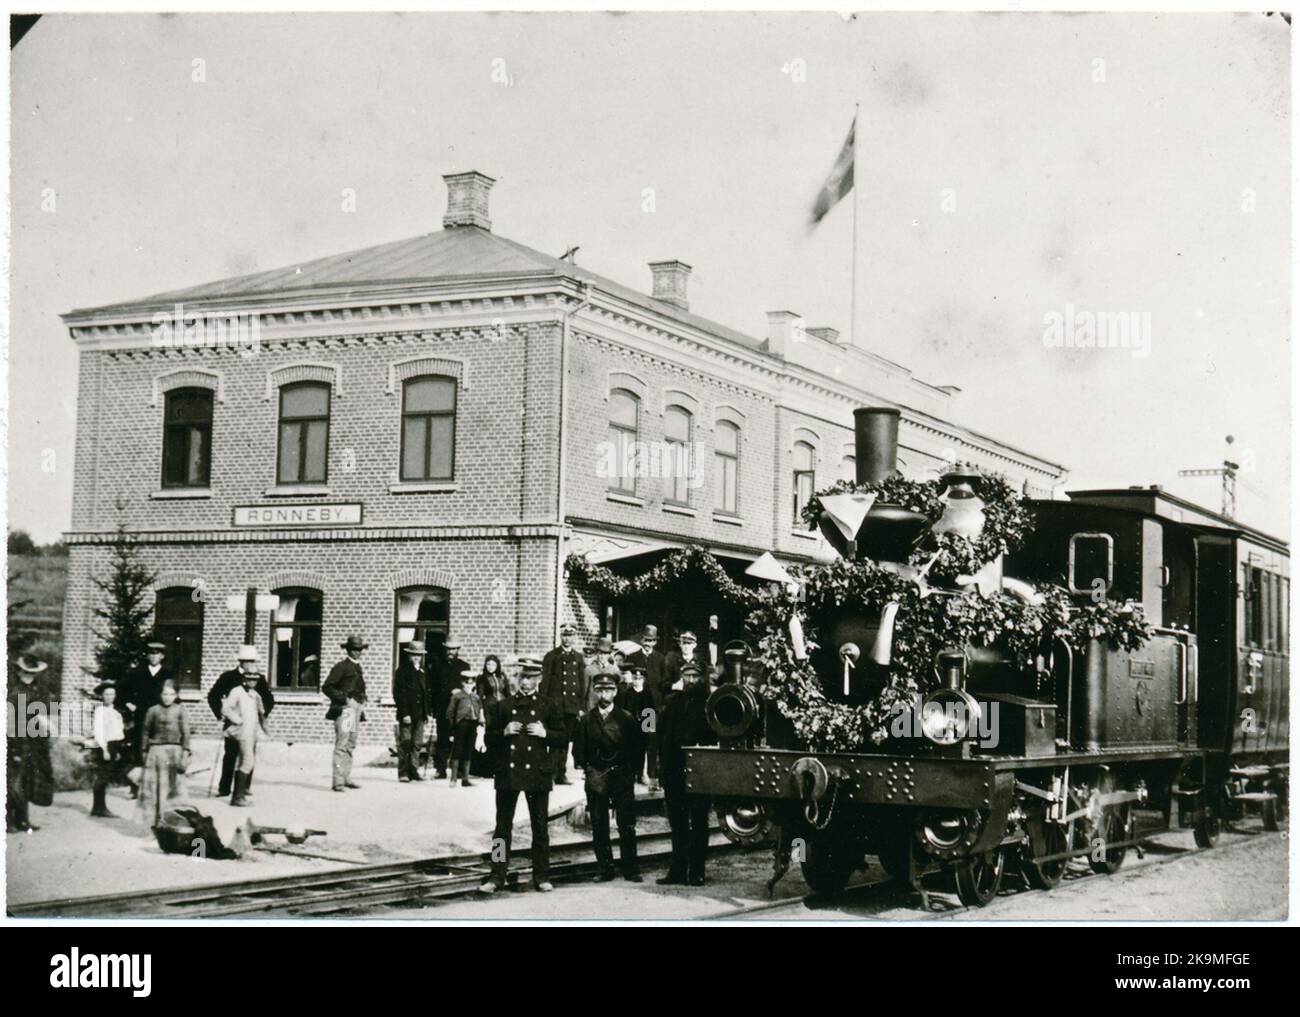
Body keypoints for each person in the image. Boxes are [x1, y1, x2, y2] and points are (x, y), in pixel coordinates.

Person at [479, 657, 565, 894]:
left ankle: (542, 876)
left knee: (540, 828)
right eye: (522, 677)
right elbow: (488, 738)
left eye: (531, 678)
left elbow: (563, 737)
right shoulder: (503, 706)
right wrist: (503, 732)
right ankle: (496, 876)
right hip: (509, 773)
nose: (526, 683)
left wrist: (545, 733)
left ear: (539, 679)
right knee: (502, 828)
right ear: (517, 678)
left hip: (537, 773)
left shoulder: (549, 705)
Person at [573, 671, 642, 882]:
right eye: (601, 690)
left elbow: (637, 748)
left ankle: (630, 868)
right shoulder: (586, 719)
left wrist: (629, 772)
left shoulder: (626, 718)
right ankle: (605, 868)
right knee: (599, 823)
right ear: (595, 691)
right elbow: (578, 750)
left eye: (609, 690)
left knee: (626, 824)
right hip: (597, 775)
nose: (605, 694)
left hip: (621, 775)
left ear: (615, 691)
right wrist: (590, 769)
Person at [657, 660, 717, 886]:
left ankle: (697, 871)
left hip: (700, 771)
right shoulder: (673, 703)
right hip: (674, 770)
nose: (691, 681)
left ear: (702, 679)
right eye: (687, 676)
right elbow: (663, 737)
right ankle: (678, 870)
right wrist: (661, 767)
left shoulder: (710, 706)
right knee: (678, 822)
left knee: (699, 821)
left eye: (695, 676)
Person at [208, 646, 275, 798]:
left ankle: (243, 788)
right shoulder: (228, 677)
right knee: (230, 755)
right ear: (241, 661)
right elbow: (213, 695)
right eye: (248, 661)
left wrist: (260, 714)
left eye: (253, 661)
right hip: (233, 724)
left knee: (248, 756)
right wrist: (220, 714)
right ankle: (224, 788)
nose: (251, 664)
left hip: (250, 725)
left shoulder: (258, 678)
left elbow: (269, 699)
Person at [7, 655, 54, 833]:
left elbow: (43, 714)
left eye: (32, 673)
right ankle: (8, 820)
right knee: (13, 782)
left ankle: (23, 820)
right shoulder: (14, 693)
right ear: (19, 672)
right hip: (17, 740)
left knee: (26, 781)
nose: (28, 675)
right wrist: (14, 746)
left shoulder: (36, 690)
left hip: (33, 741)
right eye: (25, 672)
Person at [121, 640, 173, 797]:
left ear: (162, 656)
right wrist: (129, 703)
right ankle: (136, 788)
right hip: (141, 717)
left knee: (160, 751)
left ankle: (159, 788)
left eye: (157, 654)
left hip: (161, 718)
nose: (153, 657)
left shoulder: (168, 674)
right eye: (151, 654)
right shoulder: (138, 672)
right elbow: (122, 689)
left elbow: (174, 695)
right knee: (139, 751)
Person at [139, 679, 192, 825]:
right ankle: (157, 822)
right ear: (160, 695)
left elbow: (186, 733)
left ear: (176, 695)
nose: (167, 697)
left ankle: (173, 820)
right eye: (165, 694)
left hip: (175, 753)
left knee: (174, 789)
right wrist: (144, 751)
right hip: (156, 753)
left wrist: (185, 755)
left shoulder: (181, 710)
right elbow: (145, 732)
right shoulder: (153, 710)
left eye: (171, 694)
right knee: (156, 789)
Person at [541, 622, 588, 784]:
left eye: (570, 636)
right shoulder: (552, 656)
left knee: (565, 740)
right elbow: (545, 682)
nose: (567, 639)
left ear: (574, 637)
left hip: (571, 705)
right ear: (561, 636)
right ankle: (552, 772)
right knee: (555, 739)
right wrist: (543, 703)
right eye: (565, 635)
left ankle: (561, 773)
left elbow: (582, 684)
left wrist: (581, 707)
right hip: (555, 704)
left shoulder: (578, 658)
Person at [625, 625, 668, 790]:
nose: (648, 643)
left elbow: (664, 684)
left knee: (650, 740)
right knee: (635, 739)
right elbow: (627, 679)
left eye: (651, 641)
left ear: (655, 642)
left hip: (650, 708)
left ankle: (649, 773)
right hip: (635, 704)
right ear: (641, 640)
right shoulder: (633, 657)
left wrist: (662, 704)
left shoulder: (660, 659)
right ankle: (635, 771)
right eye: (646, 640)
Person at [323, 635, 368, 791]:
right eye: (354, 650)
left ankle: (346, 776)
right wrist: (344, 699)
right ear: (348, 650)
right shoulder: (341, 666)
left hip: (356, 709)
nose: (357, 653)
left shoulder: (358, 667)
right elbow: (327, 687)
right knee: (342, 744)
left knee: (351, 743)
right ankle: (338, 781)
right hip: (347, 710)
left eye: (359, 650)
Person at [220, 671, 264, 808]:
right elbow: (226, 709)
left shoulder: (255, 694)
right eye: (249, 679)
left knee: (244, 762)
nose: (252, 682)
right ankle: (238, 797)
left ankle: (239, 795)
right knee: (248, 761)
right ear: (244, 679)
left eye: (255, 680)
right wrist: (238, 720)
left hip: (251, 732)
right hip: (241, 731)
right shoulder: (237, 691)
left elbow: (260, 712)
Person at [392, 641, 430, 783]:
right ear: (409, 655)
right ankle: (403, 772)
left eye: (419, 655)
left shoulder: (423, 671)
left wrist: (427, 712)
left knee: (417, 744)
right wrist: (404, 713)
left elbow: (426, 693)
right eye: (414, 655)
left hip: (420, 714)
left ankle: (414, 771)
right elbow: (399, 694)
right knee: (406, 743)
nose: (416, 658)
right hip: (407, 713)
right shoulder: (402, 671)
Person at [89, 680, 127, 818]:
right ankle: (99, 807)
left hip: (113, 745)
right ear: (102, 696)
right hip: (104, 745)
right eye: (107, 694)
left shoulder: (115, 712)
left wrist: (115, 752)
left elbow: (117, 732)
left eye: (112, 694)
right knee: (102, 776)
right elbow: (99, 732)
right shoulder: (100, 711)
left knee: (105, 777)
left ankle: (99, 807)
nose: (109, 697)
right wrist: (104, 749)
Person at [430, 639, 465, 779]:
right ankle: (441, 769)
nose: (451, 652)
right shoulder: (437, 666)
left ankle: (460, 770)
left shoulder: (464, 667)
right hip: (443, 708)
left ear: (458, 650)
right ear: (445, 650)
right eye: (449, 649)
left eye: (454, 649)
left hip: (460, 710)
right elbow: (432, 689)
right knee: (442, 739)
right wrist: (433, 708)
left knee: (460, 739)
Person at [446, 666, 485, 787]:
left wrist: (481, 719)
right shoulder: (457, 696)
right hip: (461, 725)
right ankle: (453, 778)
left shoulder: (476, 697)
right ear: (462, 683)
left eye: (472, 681)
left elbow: (480, 709)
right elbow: (450, 713)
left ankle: (465, 778)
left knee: (468, 750)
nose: (469, 684)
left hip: (472, 724)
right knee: (457, 751)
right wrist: (452, 729)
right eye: (466, 681)